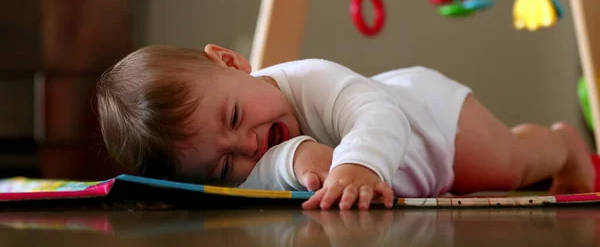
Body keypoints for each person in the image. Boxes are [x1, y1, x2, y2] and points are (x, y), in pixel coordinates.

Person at [95, 44, 596, 211]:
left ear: (232, 62)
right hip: (409, 143)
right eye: (224, 161)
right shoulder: (246, 156)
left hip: (435, 124)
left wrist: (354, 163)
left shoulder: (310, 79)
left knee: (506, 167)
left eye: (233, 117)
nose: (248, 144)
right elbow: (245, 186)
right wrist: (294, 158)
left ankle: (559, 143)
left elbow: (378, 117)